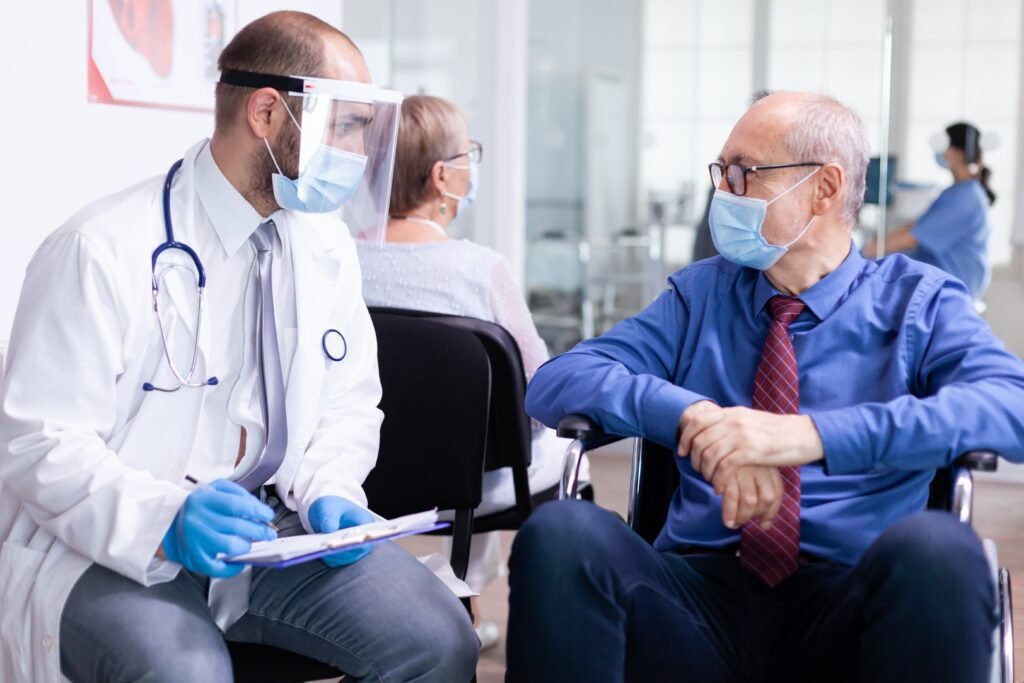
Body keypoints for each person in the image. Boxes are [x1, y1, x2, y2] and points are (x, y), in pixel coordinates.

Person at [0, 12, 478, 683]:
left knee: (437, 636)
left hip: (274, 534)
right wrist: (165, 517)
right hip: (110, 540)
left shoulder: (323, 244)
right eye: (345, 125)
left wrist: (328, 487)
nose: (359, 152)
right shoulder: (100, 249)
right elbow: (36, 441)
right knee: (183, 670)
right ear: (266, 112)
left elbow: (349, 403)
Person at [506, 92, 1024, 683]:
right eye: (720, 173)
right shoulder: (700, 294)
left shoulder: (919, 301)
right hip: (694, 598)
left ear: (824, 189)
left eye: (742, 173)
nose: (722, 193)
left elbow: (1012, 406)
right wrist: (698, 419)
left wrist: (806, 436)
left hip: (850, 600)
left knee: (943, 552)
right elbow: (557, 382)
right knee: (561, 533)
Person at [356, 94, 586, 650]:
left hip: (356, 473)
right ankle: (528, 619)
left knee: (469, 437)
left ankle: (465, 598)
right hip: (465, 487)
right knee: (545, 447)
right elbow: (537, 394)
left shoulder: (334, 259)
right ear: (441, 177)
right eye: (468, 155)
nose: (470, 167)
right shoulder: (480, 270)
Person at [864, 122, 995, 300]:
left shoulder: (965, 198)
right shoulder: (957, 192)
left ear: (957, 152)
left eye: (943, 145)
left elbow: (912, 238)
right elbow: (917, 227)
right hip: (945, 281)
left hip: (953, 287)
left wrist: (863, 253)